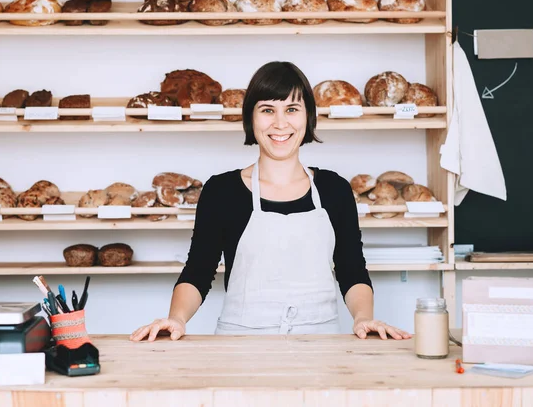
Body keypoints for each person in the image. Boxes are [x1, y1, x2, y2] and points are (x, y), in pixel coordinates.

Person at [130, 61, 411, 341]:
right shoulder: (222, 191)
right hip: (239, 347)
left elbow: (352, 271)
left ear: (308, 116)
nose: (280, 123)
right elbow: (198, 272)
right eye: (267, 110)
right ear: (251, 119)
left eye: (291, 109)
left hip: (322, 347)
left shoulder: (334, 189)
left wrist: (364, 318)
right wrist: (176, 319)